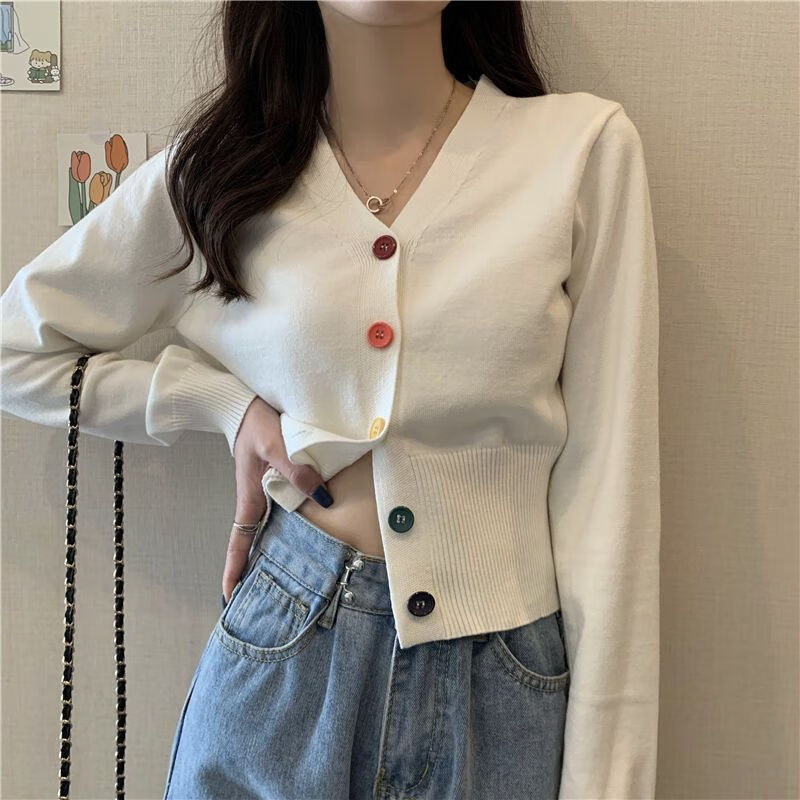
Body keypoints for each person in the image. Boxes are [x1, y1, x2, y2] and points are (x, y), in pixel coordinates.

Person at [0, 2, 661, 798]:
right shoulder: (224, 172)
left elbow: (612, 498)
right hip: (284, 656)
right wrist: (219, 405)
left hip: (501, 681)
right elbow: (17, 349)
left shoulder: (579, 151)